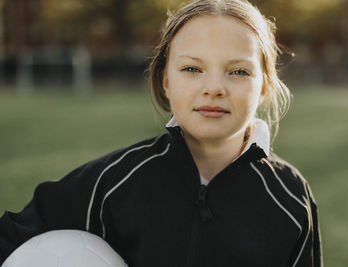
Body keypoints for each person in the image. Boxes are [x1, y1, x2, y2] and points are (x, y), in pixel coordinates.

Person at [0, 0, 322, 266]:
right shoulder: (115, 181)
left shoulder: (291, 199)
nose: (214, 88)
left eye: (238, 71)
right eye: (192, 69)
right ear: (165, 80)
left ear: (265, 86)